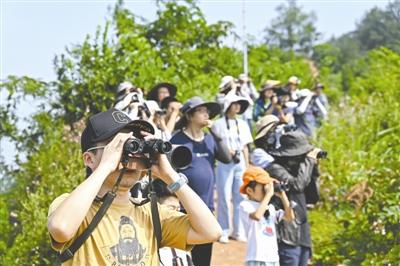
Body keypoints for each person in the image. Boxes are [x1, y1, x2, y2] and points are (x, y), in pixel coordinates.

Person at [47, 108, 222, 265]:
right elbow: (61, 228)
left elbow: (211, 232)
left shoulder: (152, 212)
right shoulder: (73, 208)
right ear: (89, 159)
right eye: (118, 148)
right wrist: (106, 166)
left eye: (134, 146)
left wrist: (170, 176)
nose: (129, 158)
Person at [252, 115, 321, 266]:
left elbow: (313, 196)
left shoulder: (295, 166)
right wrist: (308, 160)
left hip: (302, 231)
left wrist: (312, 166)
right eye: (274, 130)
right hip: (286, 233)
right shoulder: (269, 163)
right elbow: (296, 186)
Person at [171, 96, 231, 266]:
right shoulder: (177, 141)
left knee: (203, 260)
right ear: (189, 116)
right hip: (183, 210)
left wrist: (215, 132)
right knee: (182, 259)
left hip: (207, 209)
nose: (206, 114)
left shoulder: (210, 139)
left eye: (207, 111)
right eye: (201, 111)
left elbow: (227, 158)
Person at [211, 93, 253, 244]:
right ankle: (223, 230)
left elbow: (246, 147)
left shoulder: (242, 124)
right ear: (228, 105)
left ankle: (239, 230)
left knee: (240, 196)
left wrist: (247, 166)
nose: (238, 106)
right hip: (224, 161)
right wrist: (227, 152)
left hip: (240, 161)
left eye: (239, 104)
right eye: (235, 103)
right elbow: (216, 145)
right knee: (223, 195)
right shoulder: (218, 123)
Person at [239, 166, 295, 266]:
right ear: (249, 191)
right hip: (256, 257)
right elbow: (257, 216)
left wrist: (283, 196)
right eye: (263, 186)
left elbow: (290, 217)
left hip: (273, 258)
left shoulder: (270, 207)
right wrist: (268, 195)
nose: (267, 189)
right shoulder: (245, 205)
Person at [152, 179, 194, 266]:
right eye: (171, 208)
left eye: (178, 209)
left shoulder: (180, 239)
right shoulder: (144, 241)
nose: (177, 214)